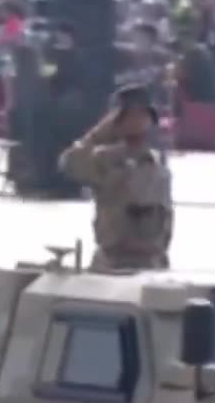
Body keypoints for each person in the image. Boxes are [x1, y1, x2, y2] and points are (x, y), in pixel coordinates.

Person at [59, 84, 175, 271]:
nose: (137, 121)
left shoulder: (156, 161)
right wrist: (99, 133)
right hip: (113, 261)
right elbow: (69, 163)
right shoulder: (105, 158)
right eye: (130, 115)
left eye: (143, 115)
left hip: (152, 262)